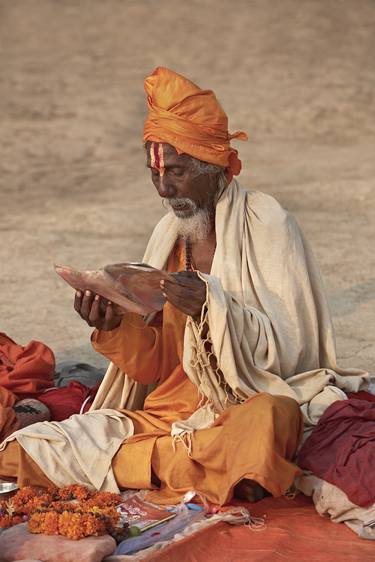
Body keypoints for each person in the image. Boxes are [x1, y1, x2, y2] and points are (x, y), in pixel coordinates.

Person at [0, 67, 369, 506]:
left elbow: (294, 354)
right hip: (166, 417)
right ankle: (192, 468)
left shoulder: (269, 223)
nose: (163, 188)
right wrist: (115, 327)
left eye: (176, 172)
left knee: (274, 417)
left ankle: (168, 465)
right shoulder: (168, 235)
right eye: (155, 175)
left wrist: (213, 308)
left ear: (213, 166)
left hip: (241, 407)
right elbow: (157, 370)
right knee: (23, 449)